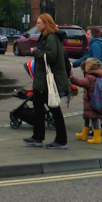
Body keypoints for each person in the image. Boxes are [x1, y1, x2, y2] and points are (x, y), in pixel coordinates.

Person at [23, 13, 70, 149]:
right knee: (38, 108)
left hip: (48, 81)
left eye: (39, 23)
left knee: (54, 109)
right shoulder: (46, 37)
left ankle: (61, 140)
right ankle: (37, 137)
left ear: (45, 24)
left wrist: (36, 52)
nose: (37, 25)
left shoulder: (50, 38)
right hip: (42, 81)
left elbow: (51, 57)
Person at [70, 57, 102, 144]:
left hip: (92, 101)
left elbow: (81, 82)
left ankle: (96, 137)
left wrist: (71, 78)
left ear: (91, 67)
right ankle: (84, 133)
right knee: (87, 117)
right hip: (95, 100)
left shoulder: (91, 77)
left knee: (94, 119)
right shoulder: (100, 75)